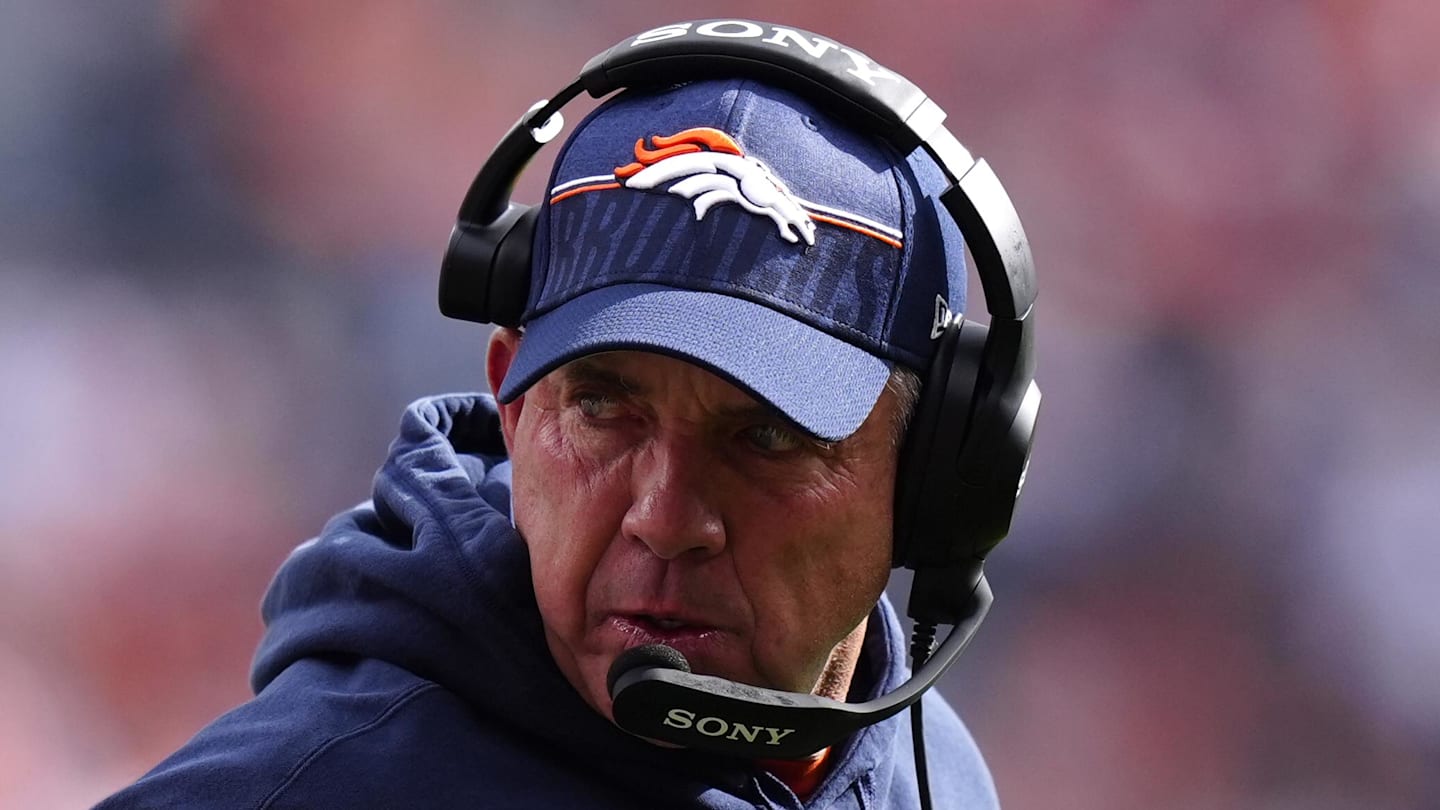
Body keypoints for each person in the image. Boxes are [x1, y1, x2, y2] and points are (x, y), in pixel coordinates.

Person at [99, 20, 1031, 810]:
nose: (665, 520)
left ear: (936, 479)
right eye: (601, 408)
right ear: (510, 404)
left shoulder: (930, 770)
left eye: (766, 437)